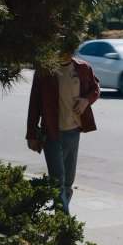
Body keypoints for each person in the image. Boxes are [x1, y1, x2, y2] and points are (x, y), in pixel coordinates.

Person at [25, 37, 100, 214]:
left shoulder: (82, 68)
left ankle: (62, 207)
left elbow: (95, 88)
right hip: (51, 133)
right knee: (57, 180)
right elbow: (34, 104)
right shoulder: (45, 71)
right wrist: (31, 134)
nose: (64, 53)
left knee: (67, 182)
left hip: (74, 132)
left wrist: (86, 101)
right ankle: (64, 227)